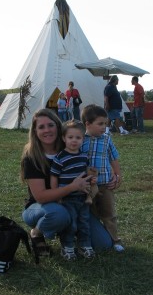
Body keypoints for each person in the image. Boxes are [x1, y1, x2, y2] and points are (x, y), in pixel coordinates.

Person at [20, 109, 112, 259]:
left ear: (58, 127)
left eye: (50, 125)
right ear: (35, 131)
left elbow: (91, 162)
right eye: (41, 127)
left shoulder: (70, 146)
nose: (47, 130)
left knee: (103, 243)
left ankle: (72, 231)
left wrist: (109, 176)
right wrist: (72, 187)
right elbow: (41, 197)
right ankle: (37, 232)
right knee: (59, 214)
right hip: (42, 208)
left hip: (76, 202)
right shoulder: (32, 158)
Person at [80, 104, 125, 252]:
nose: (104, 127)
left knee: (109, 213)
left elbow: (114, 158)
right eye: (100, 124)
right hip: (87, 187)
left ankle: (115, 240)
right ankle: (88, 238)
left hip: (105, 185)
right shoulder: (80, 140)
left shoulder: (107, 139)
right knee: (90, 213)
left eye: (105, 124)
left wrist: (117, 175)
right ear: (87, 124)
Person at [50, 120, 96, 260]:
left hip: (82, 197)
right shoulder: (60, 158)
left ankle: (84, 245)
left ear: (83, 139)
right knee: (71, 224)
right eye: (70, 137)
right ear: (64, 138)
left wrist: (91, 179)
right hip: (67, 198)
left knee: (84, 223)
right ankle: (67, 247)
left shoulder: (83, 156)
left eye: (78, 138)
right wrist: (56, 195)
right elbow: (54, 177)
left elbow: (86, 173)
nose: (74, 141)